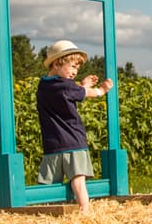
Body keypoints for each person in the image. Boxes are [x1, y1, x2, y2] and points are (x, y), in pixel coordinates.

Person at [36, 40, 113, 214]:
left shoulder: (44, 85)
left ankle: (47, 212)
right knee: (78, 180)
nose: (74, 72)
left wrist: (82, 85)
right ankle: (84, 210)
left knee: (48, 184)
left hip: (52, 144)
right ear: (57, 63)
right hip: (74, 141)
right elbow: (83, 93)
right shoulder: (66, 86)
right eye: (72, 67)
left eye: (77, 69)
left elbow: (68, 92)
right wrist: (101, 90)